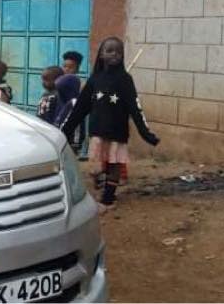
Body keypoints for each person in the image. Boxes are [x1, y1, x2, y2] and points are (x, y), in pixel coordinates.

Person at [63, 37, 159, 213]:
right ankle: (102, 181)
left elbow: (135, 107)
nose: (114, 54)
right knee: (96, 166)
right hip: (97, 131)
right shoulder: (95, 79)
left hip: (117, 132)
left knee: (114, 164)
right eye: (110, 50)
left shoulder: (125, 79)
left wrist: (146, 133)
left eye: (118, 51)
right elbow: (81, 107)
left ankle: (108, 198)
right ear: (101, 54)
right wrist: (65, 129)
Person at [53, 74, 84, 153]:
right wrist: (76, 144)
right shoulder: (74, 103)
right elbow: (76, 126)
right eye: (79, 85)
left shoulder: (62, 101)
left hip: (60, 142)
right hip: (70, 144)